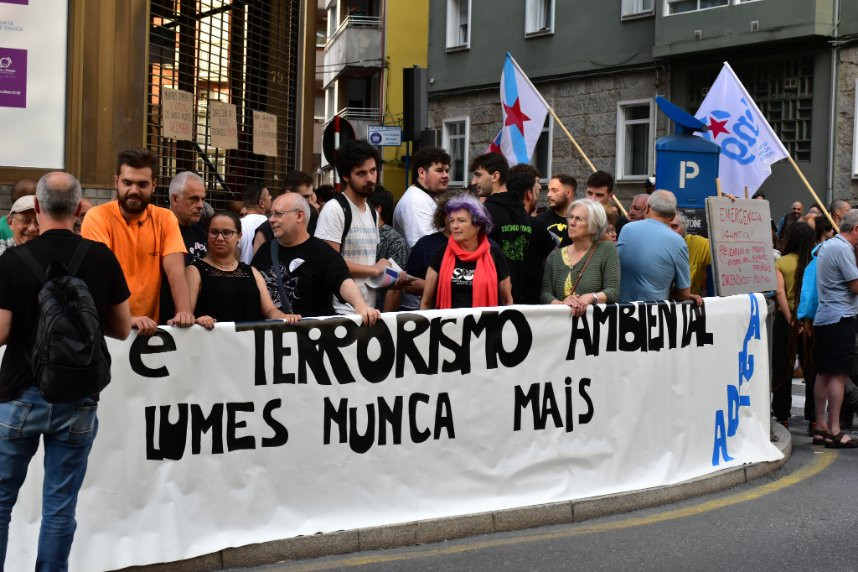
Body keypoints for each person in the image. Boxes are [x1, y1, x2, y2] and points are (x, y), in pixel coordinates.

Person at [0, 171, 131, 570]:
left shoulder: (12, 260)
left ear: (37, 208)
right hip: (78, 398)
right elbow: (122, 328)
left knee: (1, 500)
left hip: (20, 395)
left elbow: (1, 332)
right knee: (59, 506)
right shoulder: (101, 257)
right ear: (78, 209)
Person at [82, 149, 195, 335]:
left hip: (151, 327)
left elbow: (176, 271)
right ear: (116, 181)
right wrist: (127, 319)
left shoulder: (165, 218)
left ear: (154, 185)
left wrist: (184, 312)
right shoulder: (98, 216)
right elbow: (101, 276)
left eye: (142, 184)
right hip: (108, 329)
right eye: (127, 182)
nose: (134, 191)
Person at [252, 193, 380, 324]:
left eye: (278, 214)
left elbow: (342, 279)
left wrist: (360, 305)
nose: (271, 220)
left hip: (311, 337)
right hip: (269, 337)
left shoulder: (322, 252)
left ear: (299, 215)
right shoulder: (264, 251)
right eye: (271, 214)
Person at [315, 139, 390, 314]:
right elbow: (329, 264)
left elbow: (367, 261)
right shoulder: (335, 209)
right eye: (361, 173)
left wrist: (387, 274)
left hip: (368, 310)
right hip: (341, 310)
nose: (370, 178)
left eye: (373, 171)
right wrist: (374, 270)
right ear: (346, 176)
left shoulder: (372, 212)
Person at [186, 210, 298, 328]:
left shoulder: (252, 272)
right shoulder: (194, 271)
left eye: (226, 232)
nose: (219, 238)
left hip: (250, 344)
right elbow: (187, 315)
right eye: (214, 232)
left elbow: (270, 310)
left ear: (239, 236)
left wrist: (283, 317)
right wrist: (198, 320)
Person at [811, 210, 858, 447]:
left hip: (825, 316)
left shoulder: (829, 245)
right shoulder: (843, 249)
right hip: (841, 316)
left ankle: (820, 426)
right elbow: (856, 285)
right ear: (856, 229)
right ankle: (835, 429)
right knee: (838, 376)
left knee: (824, 373)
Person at [421, 194, 512, 309]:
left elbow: (507, 300)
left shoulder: (494, 252)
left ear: (478, 224)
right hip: (447, 325)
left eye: (461, 221)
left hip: (484, 325)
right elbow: (426, 302)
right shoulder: (442, 253)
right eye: (452, 221)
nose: (454, 226)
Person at [484, 161, 554, 304]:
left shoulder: (492, 214)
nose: (540, 188)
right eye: (537, 186)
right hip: (527, 300)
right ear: (529, 193)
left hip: (499, 297)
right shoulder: (537, 225)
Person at [617, 190, 701, 305]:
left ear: (647, 208)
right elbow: (684, 294)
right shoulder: (677, 242)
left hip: (620, 310)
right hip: (654, 314)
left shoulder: (626, 229)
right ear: (672, 216)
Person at [541, 198, 620, 316]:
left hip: (594, 328)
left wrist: (590, 297)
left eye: (578, 219)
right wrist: (562, 304)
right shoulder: (554, 256)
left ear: (594, 226)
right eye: (570, 217)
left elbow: (613, 291)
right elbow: (545, 294)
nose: (572, 223)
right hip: (560, 327)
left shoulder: (606, 250)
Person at [771, 222, 815, 429]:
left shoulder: (781, 263)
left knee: (783, 368)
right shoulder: (815, 262)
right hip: (810, 321)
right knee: (812, 369)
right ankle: (815, 418)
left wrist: (791, 321)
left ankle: (782, 416)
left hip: (785, 320)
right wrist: (803, 322)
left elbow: (779, 293)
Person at [401, 191, 462, 311]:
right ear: (442, 215)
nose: (455, 220)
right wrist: (451, 288)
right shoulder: (426, 244)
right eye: (450, 213)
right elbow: (410, 284)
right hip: (435, 313)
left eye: (461, 215)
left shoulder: (478, 246)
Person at [392, 146, 450, 247]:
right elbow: (426, 248)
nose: (445, 175)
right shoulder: (415, 202)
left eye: (447, 171)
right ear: (422, 173)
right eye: (439, 170)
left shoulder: (427, 196)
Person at [252, 171, 319, 256]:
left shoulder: (313, 219)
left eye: (310, 196)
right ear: (288, 193)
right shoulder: (266, 230)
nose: (309, 201)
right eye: (305, 197)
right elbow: (258, 266)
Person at [368, 186, 409, 311]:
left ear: (377, 209)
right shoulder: (356, 234)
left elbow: (394, 288)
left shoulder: (395, 242)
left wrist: (385, 324)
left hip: (378, 315)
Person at [168, 171, 208, 262]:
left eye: (202, 199)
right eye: (194, 199)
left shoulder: (203, 230)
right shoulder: (160, 232)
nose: (201, 205)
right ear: (175, 199)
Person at [670, 212, 711, 297]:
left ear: (684, 229)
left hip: (690, 305)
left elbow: (721, 251)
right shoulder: (654, 246)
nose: (669, 231)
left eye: (674, 227)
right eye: (665, 227)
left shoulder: (698, 244)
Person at [535, 175, 576, 247]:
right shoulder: (540, 221)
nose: (548, 194)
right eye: (549, 190)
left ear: (568, 193)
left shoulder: (583, 221)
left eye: (554, 190)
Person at [237, 180, 272, 264]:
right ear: (262, 203)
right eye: (268, 195)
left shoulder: (237, 225)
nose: (271, 197)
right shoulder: (272, 225)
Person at [585, 170, 629, 235]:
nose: (592, 199)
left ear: (610, 196)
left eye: (599, 195)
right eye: (589, 193)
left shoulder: (620, 223)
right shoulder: (575, 218)